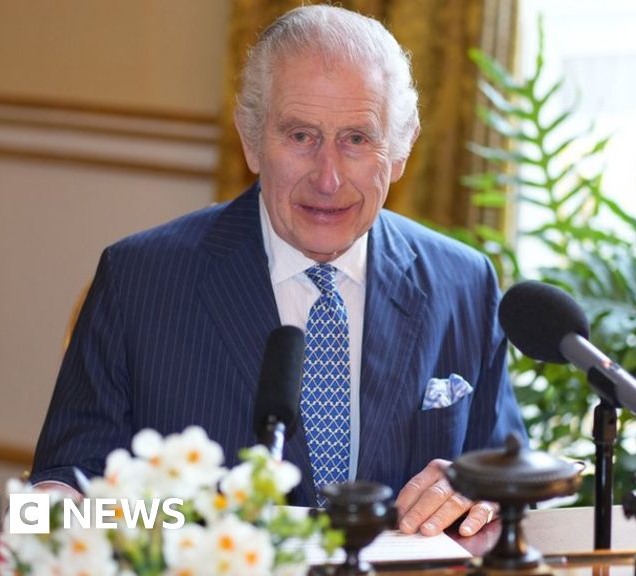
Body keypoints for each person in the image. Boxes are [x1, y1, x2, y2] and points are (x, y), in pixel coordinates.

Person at [30, 4, 525, 538]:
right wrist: (57, 511)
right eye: (300, 136)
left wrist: (476, 487)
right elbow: (67, 478)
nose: (328, 178)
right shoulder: (139, 280)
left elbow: (505, 465)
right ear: (251, 141)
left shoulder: (464, 283)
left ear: (400, 150)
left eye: (357, 139)